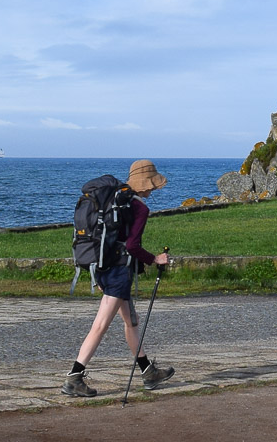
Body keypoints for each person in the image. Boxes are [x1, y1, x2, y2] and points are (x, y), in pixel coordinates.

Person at [62, 159, 176, 397]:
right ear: (147, 184)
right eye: (153, 185)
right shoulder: (139, 208)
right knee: (101, 326)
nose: (153, 190)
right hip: (118, 272)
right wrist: (155, 259)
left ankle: (148, 372)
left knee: (131, 322)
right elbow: (133, 245)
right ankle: (74, 377)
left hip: (103, 268)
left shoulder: (116, 200)